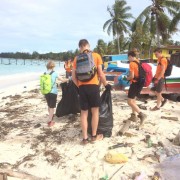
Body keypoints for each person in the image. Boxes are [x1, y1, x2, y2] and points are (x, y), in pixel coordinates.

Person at [72, 39, 111, 145]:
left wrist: (80, 86)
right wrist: (106, 85)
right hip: (93, 87)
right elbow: (101, 74)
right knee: (95, 112)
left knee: (83, 113)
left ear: (80, 47)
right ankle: (94, 136)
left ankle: (84, 138)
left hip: (82, 89)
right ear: (88, 45)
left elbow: (73, 78)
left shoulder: (76, 59)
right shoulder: (96, 56)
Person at [125, 51, 147, 125]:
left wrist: (126, 78)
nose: (128, 59)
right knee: (133, 100)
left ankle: (141, 115)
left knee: (129, 101)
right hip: (140, 83)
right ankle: (133, 116)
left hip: (134, 83)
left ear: (130, 56)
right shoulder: (138, 62)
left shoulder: (132, 63)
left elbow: (132, 76)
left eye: (128, 57)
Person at [45, 60, 68, 127]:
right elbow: (62, 80)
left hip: (46, 91)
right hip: (53, 92)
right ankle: (50, 121)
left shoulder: (44, 73)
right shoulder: (54, 73)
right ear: (53, 66)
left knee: (49, 105)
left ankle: (50, 117)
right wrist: (68, 79)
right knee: (52, 107)